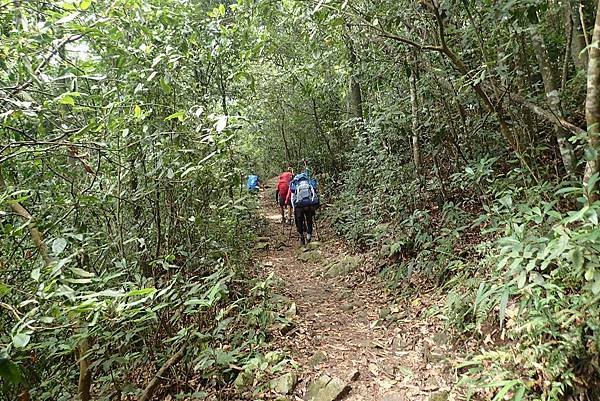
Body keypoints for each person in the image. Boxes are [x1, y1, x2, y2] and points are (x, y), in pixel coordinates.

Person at [288, 171, 319, 245]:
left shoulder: (295, 184)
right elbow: (314, 193)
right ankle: (308, 237)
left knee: (299, 221)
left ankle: (301, 236)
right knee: (309, 220)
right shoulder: (308, 183)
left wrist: (294, 208)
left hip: (299, 206)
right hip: (309, 204)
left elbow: (292, 198)